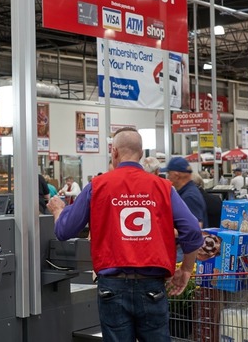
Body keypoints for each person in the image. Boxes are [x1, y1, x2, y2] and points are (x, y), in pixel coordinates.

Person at [47, 128, 203, 341]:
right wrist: (185, 269)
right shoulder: (163, 187)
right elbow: (193, 229)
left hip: (112, 287)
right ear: (141, 154)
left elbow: (64, 231)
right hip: (152, 286)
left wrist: (58, 211)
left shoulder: (97, 186)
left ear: (114, 152)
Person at [162, 157, 207, 228]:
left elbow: (196, 227)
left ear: (176, 175)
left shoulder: (189, 197)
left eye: (169, 173)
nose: (167, 177)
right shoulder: (188, 192)